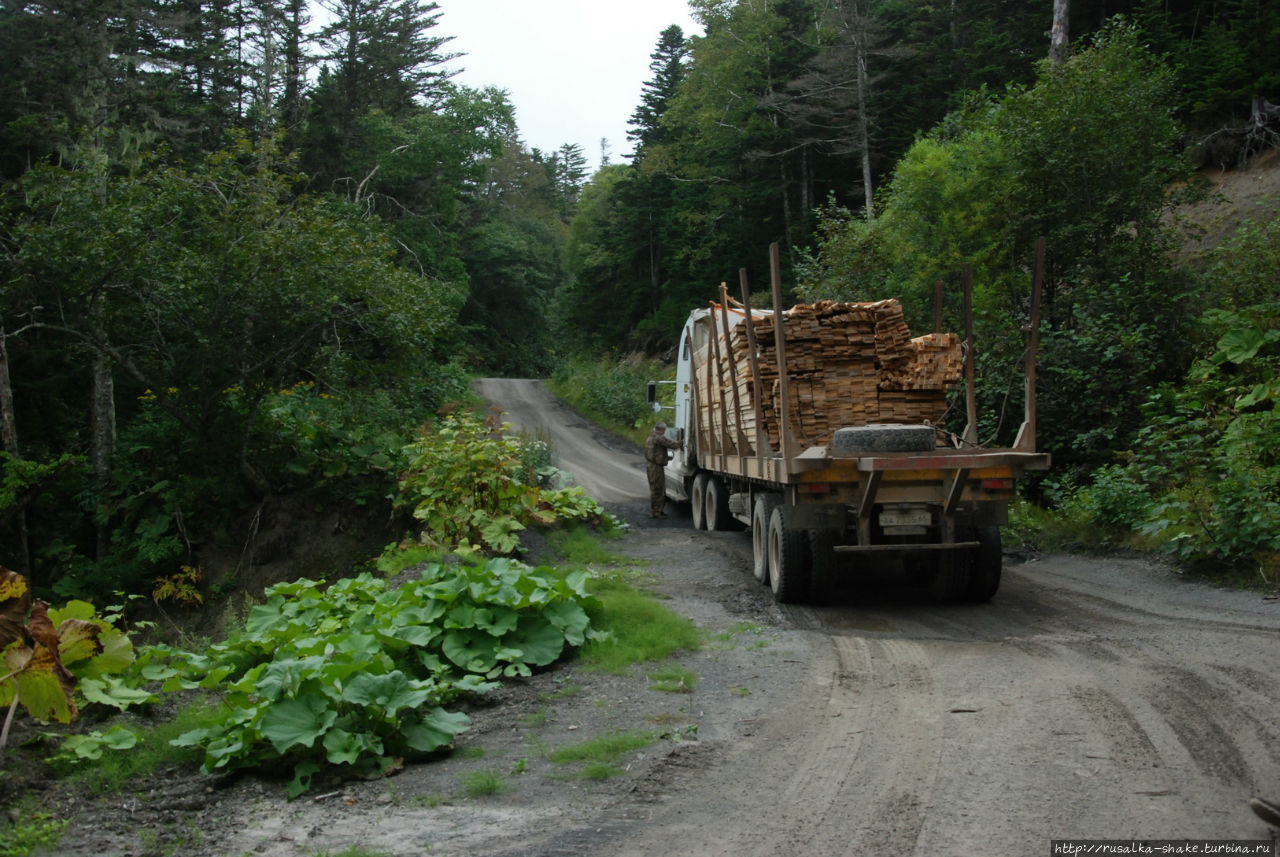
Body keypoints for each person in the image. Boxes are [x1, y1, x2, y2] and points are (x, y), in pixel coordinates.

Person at [645, 421, 683, 518]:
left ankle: (657, 510)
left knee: (656, 488)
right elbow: (672, 444)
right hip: (656, 467)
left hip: (652, 466)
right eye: (664, 429)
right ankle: (656, 511)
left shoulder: (651, 437)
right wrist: (682, 442)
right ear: (662, 430)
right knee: (658, 489)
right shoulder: (658, 438)